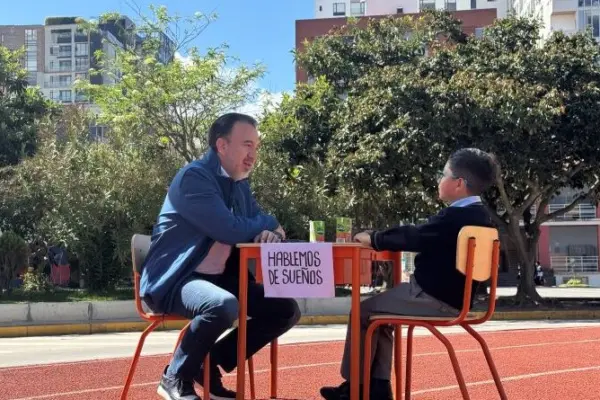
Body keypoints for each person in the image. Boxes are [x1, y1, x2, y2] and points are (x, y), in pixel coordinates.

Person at [140, 113, 302, 400]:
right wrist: (268, 224)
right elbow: (229, 229)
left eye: (256, 147)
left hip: (220, 279)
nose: (253, 155)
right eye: (247, 145)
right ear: (222, 145)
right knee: (222, 305)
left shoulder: (239, 184)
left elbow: (259, 221)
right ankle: (175, 376)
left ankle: (207, 362)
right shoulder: (194, 178)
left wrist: (272, 231)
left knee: (285, 309)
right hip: (177, 280)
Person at [320, 148, 498, 400]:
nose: (439, 180)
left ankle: (355, 387)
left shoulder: (455, 217)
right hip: (460, 299)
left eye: (442, 174)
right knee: (380, 317)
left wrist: (374, 238)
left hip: (433, 297)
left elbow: (415, 235)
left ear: (458, 183)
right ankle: (377, 388)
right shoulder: (483, 217)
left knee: (362, 312)